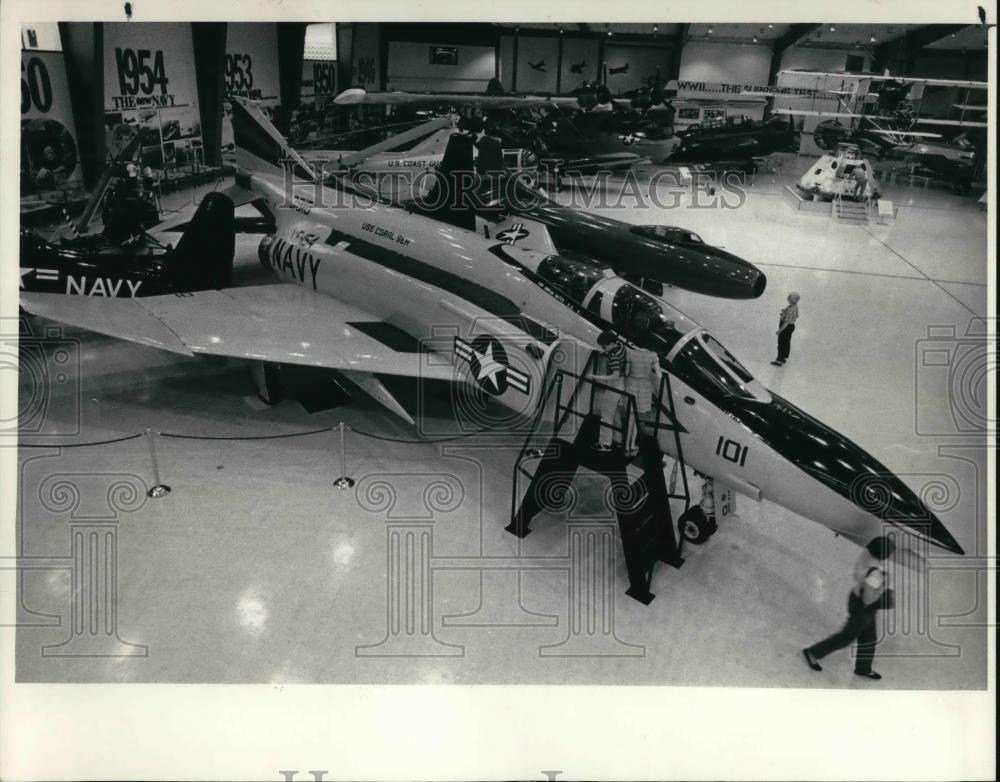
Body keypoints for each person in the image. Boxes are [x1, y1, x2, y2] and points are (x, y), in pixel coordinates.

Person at [803, 536, 896, 680]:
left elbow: (858, 577)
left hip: (856, 598)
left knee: (869, 637)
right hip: (864, 606)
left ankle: (863, 668)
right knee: (846, 637)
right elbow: (868, 598)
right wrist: (882, 589)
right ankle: (813, 653)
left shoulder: (865, 557)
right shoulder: (877, 573)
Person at [623, 315, 661, 457]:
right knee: (637, 420)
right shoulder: (653, 355)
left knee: (630, 417)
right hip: (645, 387)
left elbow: (626, 372)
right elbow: (659, 375)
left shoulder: (631, 353)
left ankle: (626, 445)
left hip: (632, 384)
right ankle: (632, 445)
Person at [592, 331, 627, 452]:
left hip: (614, 385)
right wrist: (606, 352)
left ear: (611, 344)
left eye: (604, 346)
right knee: (616, 414)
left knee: (606, 414)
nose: (604, 349)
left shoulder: (614, 357)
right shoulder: (621, 347)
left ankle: (605, 444)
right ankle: (618, 440)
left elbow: (615, 375)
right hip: (622, 384)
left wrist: (597, 377)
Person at [772, 292, 800, 367]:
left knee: (781, 344)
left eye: (790, 297)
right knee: (786, 342)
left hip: (785, 327)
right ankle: (784, 357)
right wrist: (785, 312)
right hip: (791, 326)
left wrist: (779, 330)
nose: (788, 298)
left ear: (792, 299)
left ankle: (779, 360)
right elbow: (796, 316)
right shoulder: (794, 306)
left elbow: (786, 322)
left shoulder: (791, 309)